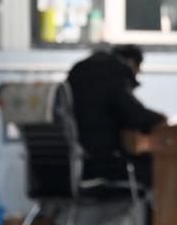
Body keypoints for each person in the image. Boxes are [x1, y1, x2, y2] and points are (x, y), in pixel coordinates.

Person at [67, 44, 166, 185]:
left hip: (78, 159)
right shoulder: (114, 71)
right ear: (132, 62)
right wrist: (161, 119)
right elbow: (134, 114)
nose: (138, 72)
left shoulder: (80, 69)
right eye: (138, 68)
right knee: (162, 167)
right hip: (105, 160)